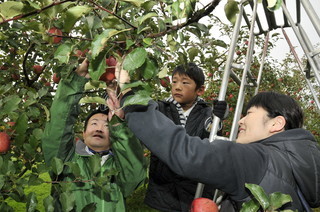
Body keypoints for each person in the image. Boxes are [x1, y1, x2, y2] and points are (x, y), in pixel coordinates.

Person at [109, 73, 320, 211]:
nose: (241, 120)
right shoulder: (297, 166)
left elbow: (187, 153)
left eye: (249, 113)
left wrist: (132, 100)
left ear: (276, 123)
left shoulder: (257, 159)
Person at [42, 59, 147, 212]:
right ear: (83, 134)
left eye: (106, 126)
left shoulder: (119, 169)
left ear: (114, 137)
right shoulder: (65, 162)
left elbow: (135, 172)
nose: (99, 128)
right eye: (94, 123)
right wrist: (77, 80)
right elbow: (58, 125)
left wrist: (118, 123)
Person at [144, 63, 227, 212]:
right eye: (174, 81)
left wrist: (218, 117)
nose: (177, 87)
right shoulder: (160, 108)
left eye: (185, 82)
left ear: (200, 90)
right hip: (164, 188)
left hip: (194, 188)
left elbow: (212, 135)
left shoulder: (206, 113)